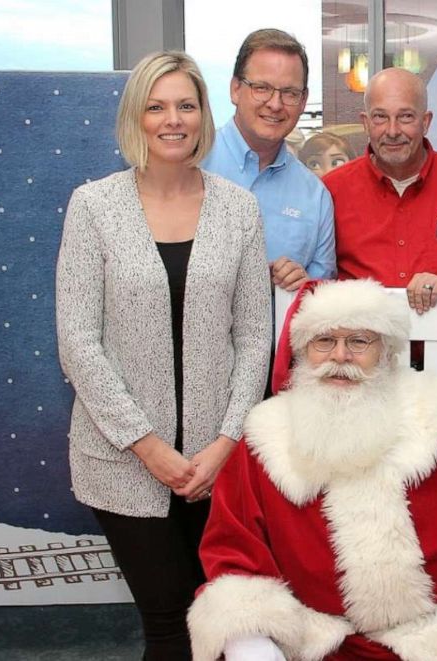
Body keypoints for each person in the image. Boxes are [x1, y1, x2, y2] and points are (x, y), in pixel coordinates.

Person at [187, 278, 437, 661]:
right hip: (314, 640)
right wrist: (252, 641)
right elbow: (233, 549)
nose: (340, 357)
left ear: (387, 352)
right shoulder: (266, 438)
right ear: (302, 352)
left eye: (359, 341)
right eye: (323, 341)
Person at [55, 51, 271, 660]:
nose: (172, 119)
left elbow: (255, 334)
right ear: (136, 117)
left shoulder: (238, 208)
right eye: (156, 106)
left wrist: (226, 441)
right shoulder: (94, 206)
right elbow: (78, 342)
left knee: (222, 619)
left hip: (216, 462)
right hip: (122, 461)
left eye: (185, 105)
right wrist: (149, 448)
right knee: (170, 624)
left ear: (204, 116)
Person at [323, 67, 437, 400]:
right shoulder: (331, 190)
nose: (392, 131)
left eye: (405, 117)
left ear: (426, 121)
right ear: (364, 122)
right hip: (361, 370)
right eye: (380, 117)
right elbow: (319, 276)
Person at [203, 28, 335, 292]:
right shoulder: (191, 163)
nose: (275, 104)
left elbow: (322, 296)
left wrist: (304, 286)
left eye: (289, 93)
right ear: (235, 89)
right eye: (261, 88)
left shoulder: (315, 197)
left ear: (303, 100)